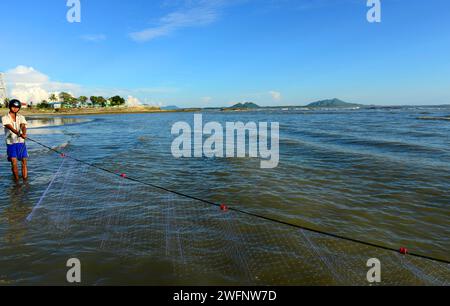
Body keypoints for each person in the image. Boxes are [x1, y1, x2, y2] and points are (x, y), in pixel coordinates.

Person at [2, 99, 28, 181]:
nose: (15, 109)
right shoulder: (4, 117)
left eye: (17, 107)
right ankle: (16, 181)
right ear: (10, 107)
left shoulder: (21, 117)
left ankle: (25, 180)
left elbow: (23, 126)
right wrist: (18, 133)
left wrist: (24, 133)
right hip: (11, 142)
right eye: (13, 107)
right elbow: (9, 127)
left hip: (21, 142)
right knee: (14, 162)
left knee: (24, 161)